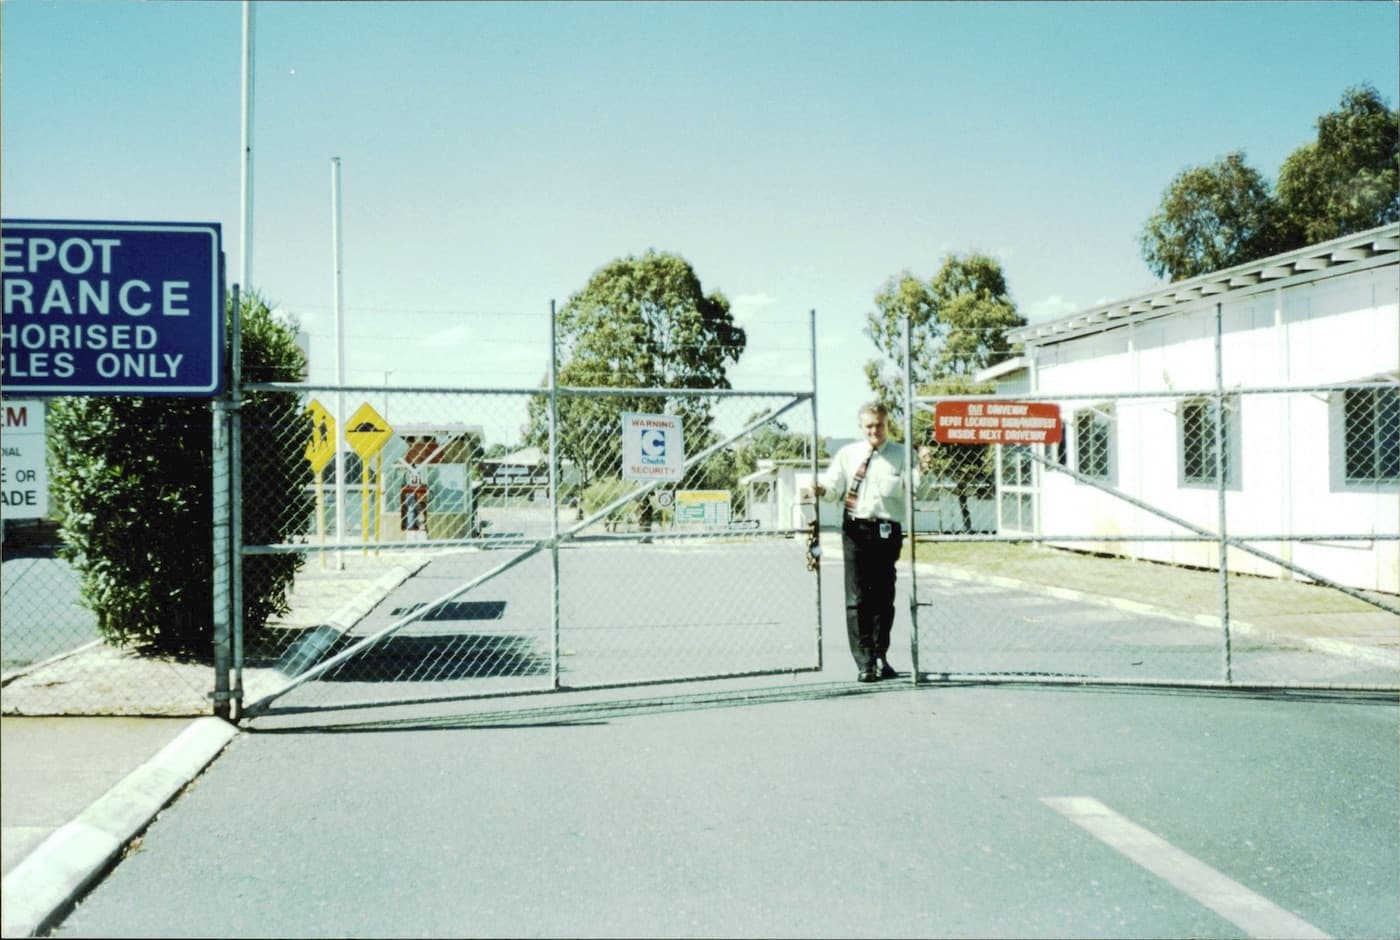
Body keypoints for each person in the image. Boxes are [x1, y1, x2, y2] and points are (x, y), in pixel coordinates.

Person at [806, 402, 914, 683]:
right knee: (857, 599)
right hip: (856, 529)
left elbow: (917, 490)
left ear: (887, 424)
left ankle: (881, 656)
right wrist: (820, 489)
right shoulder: (848, 454)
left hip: (887, 530)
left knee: (884, 598)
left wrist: (924, 469)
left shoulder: (903, 454)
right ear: (860, 427)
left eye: (879, 424)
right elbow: (833, 488)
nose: (874, 430)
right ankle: (864, 661)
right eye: (869, 426)